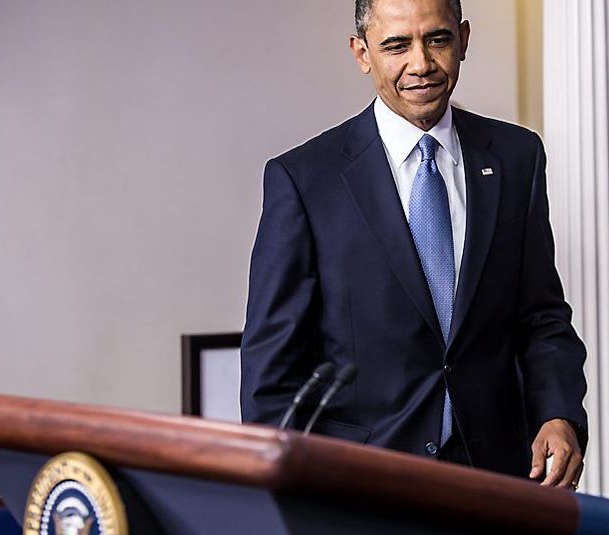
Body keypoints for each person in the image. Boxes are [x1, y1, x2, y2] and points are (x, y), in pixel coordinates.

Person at [241, 0, 587, 488]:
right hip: (359, 489)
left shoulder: (517, 157)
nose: (420, 64)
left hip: (499, 479)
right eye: (396, 45)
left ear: (463, 39)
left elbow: (541, 317)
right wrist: (285, 501)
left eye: (437, 40)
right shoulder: (304, 181)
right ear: (362, 53)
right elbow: (271, 378)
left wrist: (559, 414)